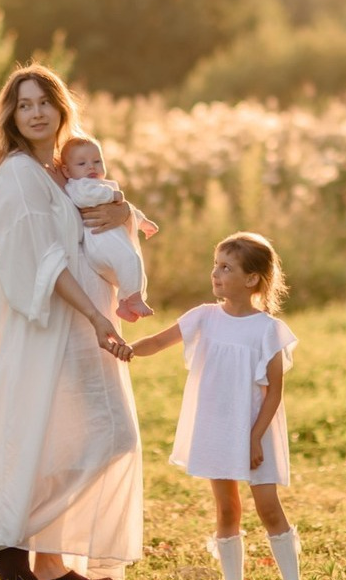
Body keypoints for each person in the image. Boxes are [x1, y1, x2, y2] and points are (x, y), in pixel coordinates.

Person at [0, 64, 148, 580]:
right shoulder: (19, 172)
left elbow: (97, 226)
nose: (36, 112)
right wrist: (93, 316)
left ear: (61, 108)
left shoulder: (63, 171)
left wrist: (125, 210)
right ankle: (8, 541)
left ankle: (47, 561)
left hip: (84, 328)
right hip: (54, 329)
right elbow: (43, 260)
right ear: (11, 117)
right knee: (102, 437)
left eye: (44, 101)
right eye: (25, 104)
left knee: (73, 438)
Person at [130, 232, 300, 580]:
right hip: (218, 427)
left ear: (251, 279)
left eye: (226, 267)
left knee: (268, 509)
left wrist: (254, 438)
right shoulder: (204, 317)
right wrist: (124, 348)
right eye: (215, 265)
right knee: (226, 510)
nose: (215, 273)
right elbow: (158, 341)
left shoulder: (268, 330)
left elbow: (274, 392)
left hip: (257, 431)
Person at [57, 135, 156, 322]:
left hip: (110, 246)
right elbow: (85, 198)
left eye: (97, 161)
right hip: (99, 243)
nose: (91, 167)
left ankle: (125, 304)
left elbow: (128, 209)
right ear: (67, 171)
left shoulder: (101, 185)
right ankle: (134, 299)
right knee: (130, 259)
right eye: (82, 163)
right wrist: (114, 195)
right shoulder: (80, 185)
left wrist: (142, 222)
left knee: (133, 267)